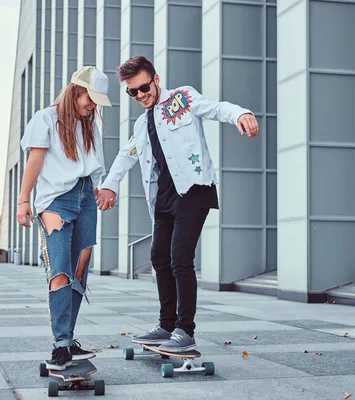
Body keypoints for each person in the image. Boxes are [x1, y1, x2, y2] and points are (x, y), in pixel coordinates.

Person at [96, 56, 259, 352]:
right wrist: (110, 183)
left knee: (180, 259)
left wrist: (240, 114)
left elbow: (214, 107)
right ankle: (166, 325)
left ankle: (185, 330)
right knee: (159, 258)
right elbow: (127, 153)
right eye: (132, 92)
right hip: (163, 198)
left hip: (193, 190)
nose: (140, 95)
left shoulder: (182, 98)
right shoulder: (142, 121)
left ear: (155, 79)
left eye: (143, 87)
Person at [16, 65, 111, 370]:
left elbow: (95, 165)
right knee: (60, 271)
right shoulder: (45, 118)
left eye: (96, 100)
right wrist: (23, 201)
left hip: (85, 197)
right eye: (89, 98)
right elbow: (35, 160)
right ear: (75, 91)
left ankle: (68, 340)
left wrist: (102, 188)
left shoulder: (91, 123)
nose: (92, 105)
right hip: (56, 201)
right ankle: (60, 346)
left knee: (80, 272)